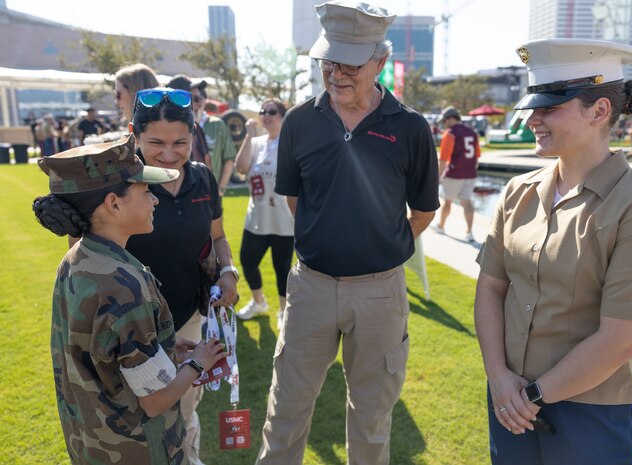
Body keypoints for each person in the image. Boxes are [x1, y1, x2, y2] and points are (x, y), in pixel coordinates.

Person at [474, 38, 632, 465]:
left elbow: (620, 341)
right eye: (533, 106)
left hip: (590, 414)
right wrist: (499, 377)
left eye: (550, 106)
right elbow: (491, 289)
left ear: (600, 110)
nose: (532, 118)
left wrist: (528, 395)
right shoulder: (518, 192)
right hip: (510, 400)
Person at [255, 2, 440, 464]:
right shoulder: (299, 121)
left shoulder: (412, 128)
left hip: (380, 294)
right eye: (327, 60)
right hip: (310, 288)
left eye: (350, 63)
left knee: (372, 418)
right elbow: (296, 200)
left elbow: (422, 211)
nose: (335, 73)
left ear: (380, 61)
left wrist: (377, 245)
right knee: (286, 412)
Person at [33, 135, 227, 465]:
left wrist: (167, 342)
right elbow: (155, 400)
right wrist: (200, 362)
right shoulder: (126, 287)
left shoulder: (78, 258)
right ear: (114, 204)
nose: (155, 201)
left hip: (92, 443)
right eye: (145, 191)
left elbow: (105, 345)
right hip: (139, 450)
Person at [125, 87, 240, 465]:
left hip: (189, 317)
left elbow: (217, 235)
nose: (170, 154)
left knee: (187, 406)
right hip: (135, 326)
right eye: (156, 142)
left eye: (181, 142)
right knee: (141, 417)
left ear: (195, 137)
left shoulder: (203, 179)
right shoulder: (121, 185)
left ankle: (188, 458)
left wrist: (227, 272)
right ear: (134, 134)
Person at [233, 98, 294, 329]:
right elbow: (241, 168)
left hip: (284, 219)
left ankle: (283, 309)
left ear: (282, 116)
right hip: (257, 217)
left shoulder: (290, 143)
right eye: (263, 111)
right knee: (248, 261)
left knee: (282, 268)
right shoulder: (256, 143)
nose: (266, 115)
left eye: (272, 111)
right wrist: (248, 135)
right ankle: (259, 302)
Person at [168, 75, 237, 195]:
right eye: (194, 99)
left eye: (201, 97)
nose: (200, 102)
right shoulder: (167, 128)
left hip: (209, 195)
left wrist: (219, 190)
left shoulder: (217, 125)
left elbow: (229, 158)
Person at [433, 105, 481, 242]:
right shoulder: (472, 132)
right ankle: (469, 232)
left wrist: (437, 176)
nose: (444, 123)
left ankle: (441, 226)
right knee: (467, 202)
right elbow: (477, 156)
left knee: (447, 202)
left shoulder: (450, 133)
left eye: (444, 120)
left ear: (449, 119)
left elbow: (443, 159)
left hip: (454, 174)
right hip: (470, 173)